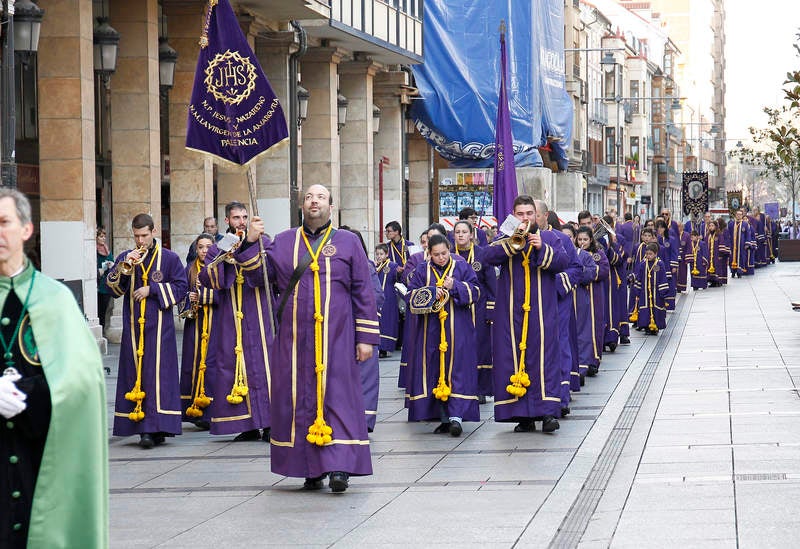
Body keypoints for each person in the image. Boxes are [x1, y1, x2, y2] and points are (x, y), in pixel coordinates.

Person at [254, 184, 379, 493]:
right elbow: (259, 278)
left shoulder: (348, 242)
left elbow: (363, 291)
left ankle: (340, 467)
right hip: (295, 341)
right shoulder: (283, 242)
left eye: (321, 197)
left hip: (337, 337)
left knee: (338, 398)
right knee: (298, 401)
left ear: (330, 206)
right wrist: (251, 242)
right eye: (309, 196)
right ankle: (309, 467)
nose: (314, 201)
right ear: (302, 205)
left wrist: (365, 338)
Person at [0, 189, 107, 548]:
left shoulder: (56, 299)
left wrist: (29, 394)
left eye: (4, 223)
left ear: (26, 229)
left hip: (41, 462)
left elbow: (84, 381)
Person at [484, 195, 568, 434]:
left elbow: (563, 262)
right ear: (513, 215)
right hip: (511, 314)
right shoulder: (505, 237)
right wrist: (512, 243)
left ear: (537, 215)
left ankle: (548, 412)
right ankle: (523, 415)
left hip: (542, 312)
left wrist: (542, 248)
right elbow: (486, 258)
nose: (525, 218)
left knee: (544, 360)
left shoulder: (551, 237)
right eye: (520, 214)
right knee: (512, 359)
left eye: (529, 213)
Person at [106, 213, 187, 449]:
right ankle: (143, 428)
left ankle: (159, 427)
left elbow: (181, 287)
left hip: (160, 328)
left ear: (154, 232)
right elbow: (112, 289)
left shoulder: (169, 258)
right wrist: (122, 268)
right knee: (136, 374)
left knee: (158, 375)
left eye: (144, 235)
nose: (140, 241)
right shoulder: (126, 257)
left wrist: (151, 289)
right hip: (133, 329)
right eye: (136, 236)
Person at [199, 201, 272, 442]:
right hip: (230, 313)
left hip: (258, 310)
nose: (241, 221)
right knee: (230, 365)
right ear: (227, 221)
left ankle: (271, 422)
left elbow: (267, 274)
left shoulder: (264, 240)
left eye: (244, 217)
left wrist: (249, 247)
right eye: (235, 218)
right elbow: (208, 278)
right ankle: (246, 424)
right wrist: (225, 253)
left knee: (265, 364)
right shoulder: (219, 246)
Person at [406, 233, 480, 436]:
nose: (441, 258)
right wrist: (431, 292)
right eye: (436, 254)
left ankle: (457, 417)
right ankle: (443, 417)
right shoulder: (422, 270)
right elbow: (409, 297)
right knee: (434, 371)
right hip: (430, 332)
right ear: (429, 254)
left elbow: (476, 292)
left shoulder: (461, 267)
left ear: (450, 250)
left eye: (444, 253)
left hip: (458, 329)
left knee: (457, 370)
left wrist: (455, 286)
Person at [453, 220, 496, 403]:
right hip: (456, 309)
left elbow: (492, 285)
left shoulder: (482, 254)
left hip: (478, 308)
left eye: (464, 232)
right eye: (457, 232)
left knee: (480, 348)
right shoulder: (449, 255)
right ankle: (459, 386)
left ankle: (480, 389)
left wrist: (490, 312)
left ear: (472, 235)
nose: (461, 235)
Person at [179, 233, 217, 430]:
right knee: (193, 364)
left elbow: (225, 295)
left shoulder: (219, 268)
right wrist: (189, 297)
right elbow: (180, 294)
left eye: (208, 247)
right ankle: (195, 410)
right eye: (201, 247)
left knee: (212, 364)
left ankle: (212, 411)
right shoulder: (189, 270)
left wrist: (204, 296)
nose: (204, 251)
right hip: (195, 325)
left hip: (215, 323)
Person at [574, 226, 609, 379]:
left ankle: (594, 361)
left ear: (591, 240)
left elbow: (603, 271)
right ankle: (582, 361)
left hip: (594, 294)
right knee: (581, 329)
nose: (582, 242)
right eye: (580, 239)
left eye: (585, 239)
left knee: (595, 326)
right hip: (579, 296)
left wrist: (588, 273)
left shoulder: (598, 253)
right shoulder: (574, 253)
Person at [630, 242, 669, 334]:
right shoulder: (643, 264)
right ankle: (647, 326)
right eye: (647, 254)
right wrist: (637, 290)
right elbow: (639, 277)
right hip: (645, 292)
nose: (648, 256)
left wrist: (663, 292)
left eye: (650, 254)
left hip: (656, 292)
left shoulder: (659, 264)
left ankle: (655, 327)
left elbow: (663, 278)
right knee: (645, 309)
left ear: (656, 254)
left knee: (656, 309)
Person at [374, 243, 399, 359]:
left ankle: (385, 347)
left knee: (387, 321)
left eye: (381, 254)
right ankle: (378, 346)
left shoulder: (392, 266)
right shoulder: (374, 266)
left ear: (387, 254)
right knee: (379, 321)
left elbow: (396, 278)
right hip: (378, 297)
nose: (379, 256)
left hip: (389, 296)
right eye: (377, 254)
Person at [96, 226, 114, 335]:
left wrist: (111, 265)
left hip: (106, 285)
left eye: (104, 236)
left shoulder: (107, 250)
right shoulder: (93, 250)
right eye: (100, 236)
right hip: (97, 286)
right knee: (98, 311)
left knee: (104, 310)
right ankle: (100, 332)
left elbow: (113, 262)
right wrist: (100, 270)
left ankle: (102, 331)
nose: (103, 239)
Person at [727, 209, 753, 278]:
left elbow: (748, 234)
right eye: (737, 214)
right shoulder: (731, 224)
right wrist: (728, 244)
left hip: (741, 245)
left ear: (742, 215)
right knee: (732, 258)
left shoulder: (745, 224)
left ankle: (739, 272)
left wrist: (747, 243)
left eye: (740, 214)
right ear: (735, 215)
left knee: (741, 258)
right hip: (732, 245)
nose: (738, 216)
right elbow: (728, 234)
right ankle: (733, 271)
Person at [705, 220, 729, 287]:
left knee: (718, 267)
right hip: (709, 256)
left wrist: (721, 254)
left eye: (712, 226)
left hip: (717, 255)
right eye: (710, 226)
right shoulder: (707, 235)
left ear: (715, 227)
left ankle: (718, 281)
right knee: (709, 267)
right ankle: (711, 280)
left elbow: (721, 244)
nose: (711, 227)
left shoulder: (719, 235)